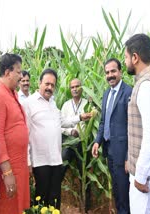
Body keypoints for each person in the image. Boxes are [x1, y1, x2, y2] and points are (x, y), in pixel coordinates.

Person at [23, 69, 91, 209]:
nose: (50, 87)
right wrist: (28, 161)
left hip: (56, 159)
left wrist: (79, 117)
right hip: (40, 160)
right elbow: (25, 133)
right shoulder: (29, 103)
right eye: (47, 84)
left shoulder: (52, 103)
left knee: (55, 199)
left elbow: (62, 121)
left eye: (53, 85)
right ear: (39, 83)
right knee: (42, 198)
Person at [92, 58, 132, 213]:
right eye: (107, 72)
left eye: (113, 71)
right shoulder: (107, 93)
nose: (110, 75)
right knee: (117, 190)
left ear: (120, 72)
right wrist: (97, 142)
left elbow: (133, 128)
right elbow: (104, 121)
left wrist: (129, 156)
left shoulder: (128, 92)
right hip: (110, 151)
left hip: (123, 154)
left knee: (124, 193)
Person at [124, 33, 150, 213]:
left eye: (126, 57)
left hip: (147, 181)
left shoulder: (146, 86)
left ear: (135, 58)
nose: (126, 61)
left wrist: (140, 176)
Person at [0, 53, 30, 214]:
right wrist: (7, 172)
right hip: (10, 165)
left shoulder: (13, 93)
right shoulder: (1, 95)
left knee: (20, 206)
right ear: (7, 72)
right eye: (18, 71)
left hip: (20, 163)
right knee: (9, 205)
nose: (21, 75)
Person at [61, 78, 91, 211]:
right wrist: (70, 131)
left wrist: (92, 102)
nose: (75, 89)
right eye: (72, 87)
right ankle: (59, 198)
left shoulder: (87, 103)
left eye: (77, 86)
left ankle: (87, 206)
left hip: (83, 145)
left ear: (81, 88)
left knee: (85, 173)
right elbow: (60, 125)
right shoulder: (66, 105)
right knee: (61, 167)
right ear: (69, 89)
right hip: (69, 143)